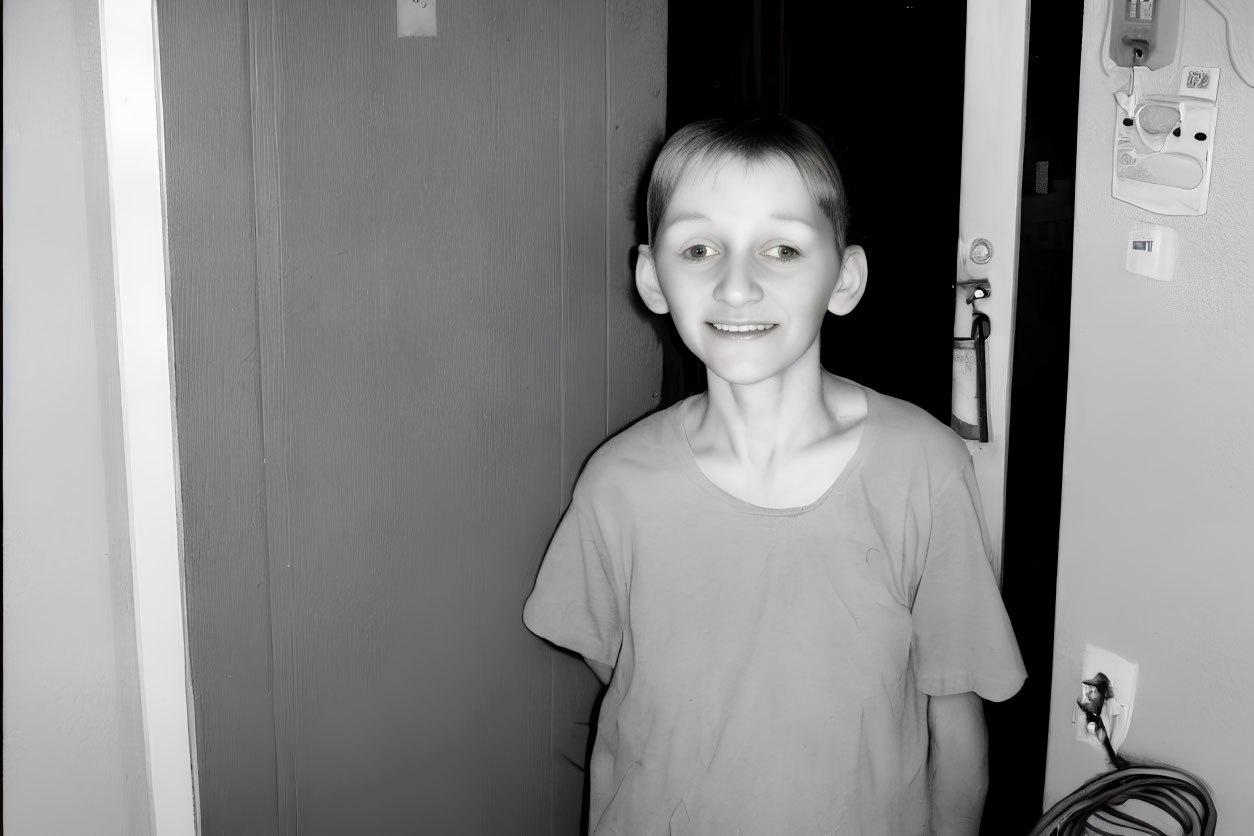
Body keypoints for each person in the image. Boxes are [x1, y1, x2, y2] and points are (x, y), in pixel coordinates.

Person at [522, 115, 1026, 835]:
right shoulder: (617, 484)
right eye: (699, 248)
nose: (736, 285)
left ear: (844, 278)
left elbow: (959, 731)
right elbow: (631, 696)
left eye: (782, 249)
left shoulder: (922, 469)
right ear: (651, 278)